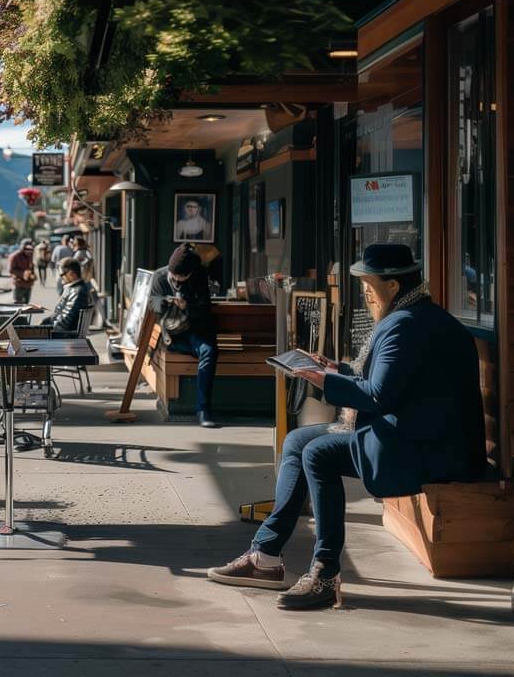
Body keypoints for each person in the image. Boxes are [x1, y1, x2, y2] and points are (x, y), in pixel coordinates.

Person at [207, 244, 486, 610]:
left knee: (318, 454)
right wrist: (338, 369)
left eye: (368, 283)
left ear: (393, 286)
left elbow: (377, 397)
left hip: (426, 449)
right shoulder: (420, 316)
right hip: (421, 433)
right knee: (297, 440)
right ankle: (266, 557)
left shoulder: (404, 326)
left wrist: (324, 380)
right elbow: (393, 383)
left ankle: (324, 573)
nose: (365, 292)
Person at [150, 243, 218, 428]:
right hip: (172, 336)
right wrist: (165, 301)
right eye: (175, 275)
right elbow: (152, 302)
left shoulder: (199, 276)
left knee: (209, 351)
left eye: (183, 276)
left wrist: (187, 305)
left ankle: (203, 409)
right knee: (199, 351)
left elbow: (205, 309)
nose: (178, 279)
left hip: (196, 331)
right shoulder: (160, 276)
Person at [41, 257, 94, 335]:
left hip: (64, 336)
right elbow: (61, 316)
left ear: (71, 273)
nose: (60, 278)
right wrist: (45, 322)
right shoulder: (75, 289)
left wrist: (45, 330)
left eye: (62, 274)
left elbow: (65, 322)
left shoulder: (77, 291)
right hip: (63, 333)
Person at [9, 239, 37, 305]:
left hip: (28, 284)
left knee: (26, 304)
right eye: (27, 249)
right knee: (18, 304)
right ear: (23, 247)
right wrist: (23, 274)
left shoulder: (30, 256)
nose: (29, 251)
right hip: (19, 284)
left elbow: (31, 267)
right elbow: (11, 270)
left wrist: (33, 275)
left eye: (31, 249)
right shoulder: (15, 256)